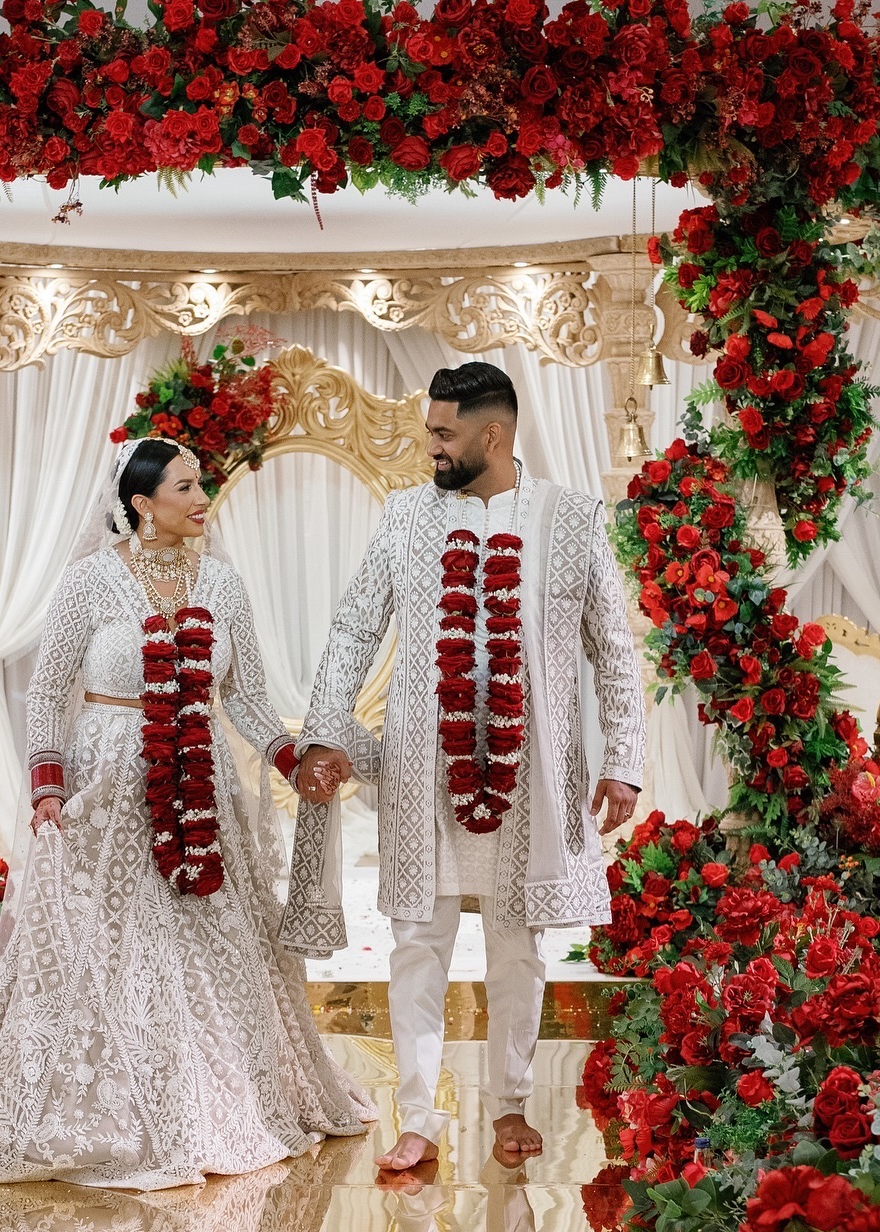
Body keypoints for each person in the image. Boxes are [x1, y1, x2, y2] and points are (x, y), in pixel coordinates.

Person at [0, 437, 374, 1188]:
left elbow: (247, 699)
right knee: (109, 950)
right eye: (186, 486)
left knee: (205, 947)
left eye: (202, 484)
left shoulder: (225, 587)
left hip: (202, 787)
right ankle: (109, 1109)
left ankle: (210, 1101)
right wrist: (47, 782)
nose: (203, 499)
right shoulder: (90, 585)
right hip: (108, 790)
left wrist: (290, 758)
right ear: (141, 504)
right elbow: (47, 690)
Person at [279, 362, 645, 1171]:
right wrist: (326, 731)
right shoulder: (406, 516)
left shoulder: (572, 519)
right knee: (418, 941)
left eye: (444, 433)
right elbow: (352, 629)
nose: (432, 447)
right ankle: (418, 1115)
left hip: (531, 775)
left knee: (517, 945)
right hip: (424, 771)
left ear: (494, 435)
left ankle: (510, 1102)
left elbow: (614, 652)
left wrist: (624, 762)